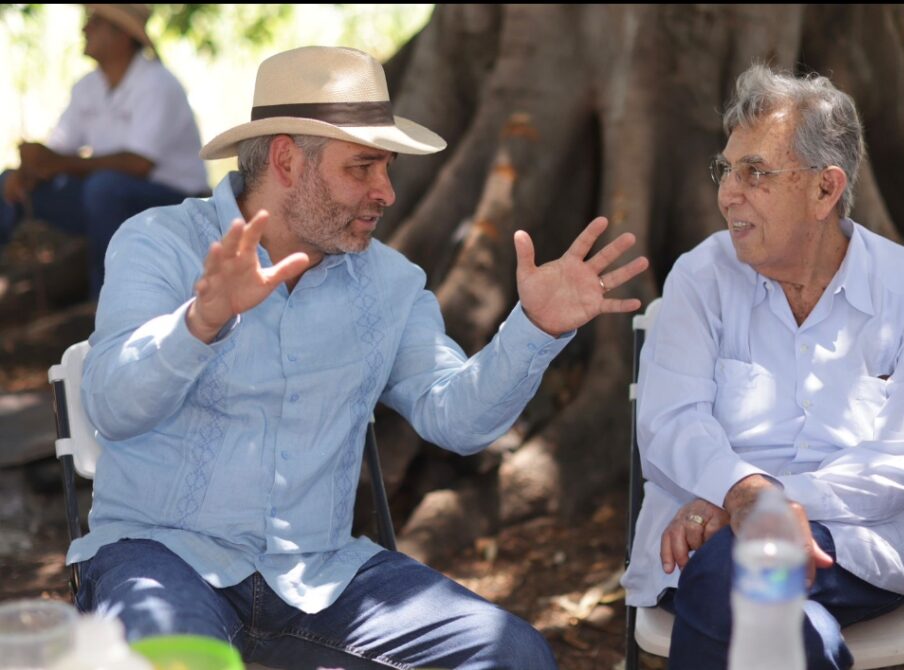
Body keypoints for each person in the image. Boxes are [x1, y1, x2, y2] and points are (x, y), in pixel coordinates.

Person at [68, 45, 649, 670]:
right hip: (163, 556)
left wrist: (533, 328)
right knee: (186, 662)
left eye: (388, 169)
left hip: (319, 577)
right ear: (288, 160)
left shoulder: (390, 284)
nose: (387, 193)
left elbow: (457, 420)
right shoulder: (161, 244)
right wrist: (201, 321)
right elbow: (110, 406)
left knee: (513, 654)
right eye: (363, 168)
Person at [621, 63, 904, 670]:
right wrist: (745, 495)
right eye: (727, 169)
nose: (729, 192)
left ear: (825, 190)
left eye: (756, 173)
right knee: (786, 619)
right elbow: (670, 421)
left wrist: (753, 501)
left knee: (737, 567)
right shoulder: (700, 278)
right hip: (703, 549)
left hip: (852, 549)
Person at [0, 4, 208, 298]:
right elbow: (59, 150)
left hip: (172, 203)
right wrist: (30, 170)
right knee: (8, 180)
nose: (84, 29)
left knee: (104, 188)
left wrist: (55, 163)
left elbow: (139, 164)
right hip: (105, 198)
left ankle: (106, 298)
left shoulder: (157, 84)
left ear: (121, 35)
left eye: (94, 22)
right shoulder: (88, 87)